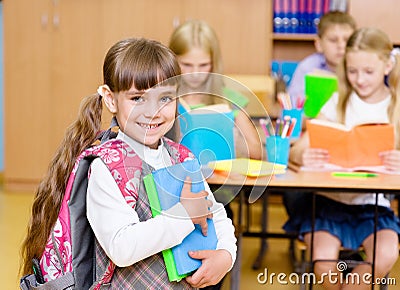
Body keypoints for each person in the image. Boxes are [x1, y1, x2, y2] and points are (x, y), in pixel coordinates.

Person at [20, 37, 237, 289]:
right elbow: (121, 247)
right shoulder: (107, 166)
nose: (153, 111)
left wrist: (226, 255)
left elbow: (214, 213)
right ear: (111, 100)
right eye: (137, 99)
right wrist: (184, 216)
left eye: (165, 98)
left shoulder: (181, 157)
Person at [286, 27, 400, 289]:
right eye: (352, 71)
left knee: (385, 254)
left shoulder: (395, 105)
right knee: (323, 264)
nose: (359, 79)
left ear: (388, 65)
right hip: (329, 205)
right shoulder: (338, 102)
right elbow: (297, 149)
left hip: (374, 208)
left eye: (368, 72)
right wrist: (305, 155)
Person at [169, 19, 263, 161]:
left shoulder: (230, 101)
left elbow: (259, 153)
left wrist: (239, 145)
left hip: (220, 179)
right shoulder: (162, 99)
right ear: (173, 60)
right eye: (187, 64)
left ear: (214, 63)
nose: (195, 73)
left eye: (203, 65)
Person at [287, 11, 356, 99]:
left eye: (347, 40)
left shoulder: (360, 69)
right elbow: (293, 103)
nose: (341, 46)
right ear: (319, 45)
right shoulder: (307, 68)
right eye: (333, 40)